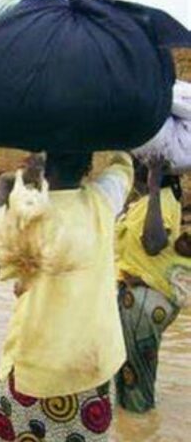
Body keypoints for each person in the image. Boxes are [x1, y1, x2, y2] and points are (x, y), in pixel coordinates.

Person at [0, 152, 133, 442]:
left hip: (31, 370)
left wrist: (4, 186)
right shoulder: (103, 202)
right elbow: (124, 165)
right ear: (88, 165)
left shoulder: (26, 213)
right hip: (90, 372)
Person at [114, 156, 190, 413]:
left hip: (143, 303)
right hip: (136, 300)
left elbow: (153, 243)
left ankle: (141, 430)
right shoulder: (144, 202)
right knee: (127, 380)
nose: (135, 166)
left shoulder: (164, 200)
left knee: (136, 391)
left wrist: (155, 185)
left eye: (139, 163)